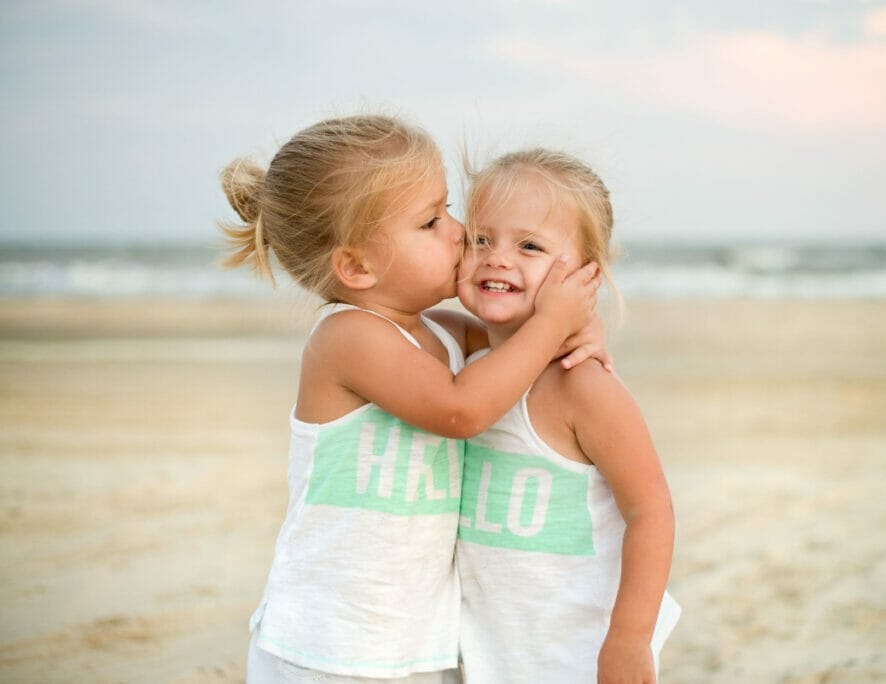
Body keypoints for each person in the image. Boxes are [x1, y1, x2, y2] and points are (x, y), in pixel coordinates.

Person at [219, 116, 602, 683]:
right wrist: (551, 327)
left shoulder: (445, 332)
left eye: (448, 209)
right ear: (355, 267)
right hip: (327, 643)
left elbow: (511, 343)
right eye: (430, 221)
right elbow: (461, 409)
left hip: (414, 642)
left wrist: (577, 329)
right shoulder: (347, 337)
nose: (458, 231)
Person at [455, 148, 681, 683]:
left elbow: (651, 510)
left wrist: (630, 639)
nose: (497, 259)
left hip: (577, 654)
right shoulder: (460, 358)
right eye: (480, 239)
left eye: (529, 246)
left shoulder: (582, 384)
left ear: (585, 274)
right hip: (494, 651)